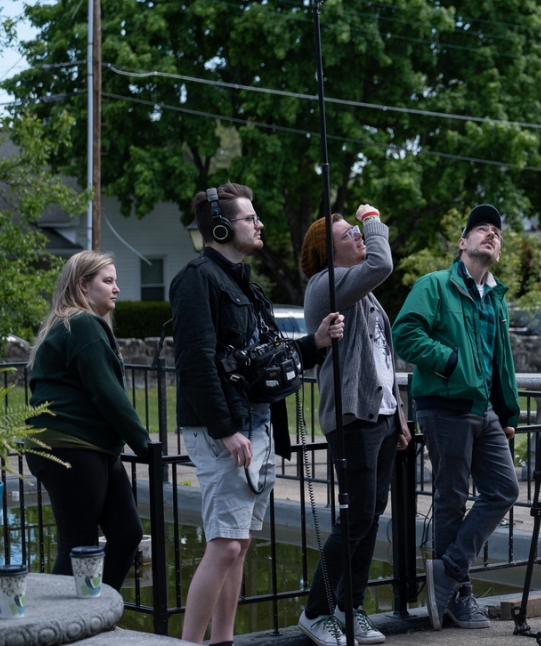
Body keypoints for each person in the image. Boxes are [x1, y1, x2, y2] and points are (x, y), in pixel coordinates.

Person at [171, 182, 343, 645]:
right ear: (223, 227)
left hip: (259, 424)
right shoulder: (196, 279)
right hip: (225, 431)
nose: (259, 224)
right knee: (225, 544)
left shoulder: (246, 282)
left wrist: (315, 343)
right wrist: (226, 430)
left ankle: (223, 640)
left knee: (240, 543)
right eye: (251, 218)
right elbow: (195, 363)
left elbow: (264, 357)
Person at [391, 204, 520, 631]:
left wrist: (508, 412)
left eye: (497, 232)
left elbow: (502, 360)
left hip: (483, 409)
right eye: (482, 229)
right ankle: (456, 597)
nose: (491, 234)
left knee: (504, 489)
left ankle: (446, 574)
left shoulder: (495, 299)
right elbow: (405, 334)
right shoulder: (435, 285)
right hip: (444, 406)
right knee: (450, 499)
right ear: (462, 243)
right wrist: (448, 362)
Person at [297, 205, 413, 646]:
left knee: (369, 516)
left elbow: (383, 359)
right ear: (327, 251)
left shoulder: (361, 293)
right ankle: (316, 612)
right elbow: (382, 262)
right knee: (357, 517)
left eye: (360, 232)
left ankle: (351, 607)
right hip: (352, 418)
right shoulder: (326, 285)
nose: (361, 238)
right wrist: (373, 219)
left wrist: (399, 415)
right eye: (350, 235)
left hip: (379, 417)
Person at [25, 251, 153, 591]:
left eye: (115, 281)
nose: (117, 289)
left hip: (90, 447)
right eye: (107, 281)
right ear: (83, 284)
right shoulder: (82, 324)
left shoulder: (75, 323)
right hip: (69, 445)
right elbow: (107, 393)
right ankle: (59, 626)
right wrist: (144, 444)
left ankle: (97, 610)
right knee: (78, 541)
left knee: (127, 533)